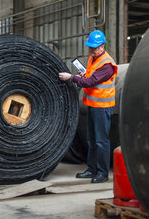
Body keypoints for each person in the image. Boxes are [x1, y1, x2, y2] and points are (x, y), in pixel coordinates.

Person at [59, 30, 118, 183]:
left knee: (101, 141)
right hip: (93, 105)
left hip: (103, 107)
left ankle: (102, 173)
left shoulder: (107, 64)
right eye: (90, 47)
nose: (91, 50)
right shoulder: (94, 58)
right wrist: (83, 75)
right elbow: (91, 77)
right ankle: (91, 169)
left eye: (94, 47)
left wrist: (71, 78)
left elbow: (91, 82)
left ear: (102, 46)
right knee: (92, 140)